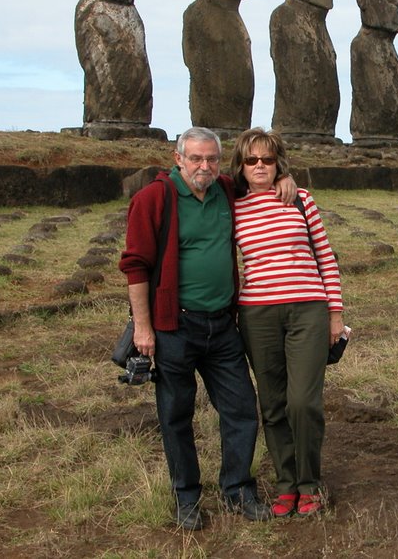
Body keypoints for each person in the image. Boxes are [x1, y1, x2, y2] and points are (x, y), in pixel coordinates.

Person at [119, 126, 295, 530]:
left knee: (241, 410)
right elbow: (136, 266)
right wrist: (144, 329)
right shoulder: (154, 199)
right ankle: (187, 498)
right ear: (178, 158)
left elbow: (261, 175)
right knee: (176, 415)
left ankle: (238, 490)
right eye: (195, 158)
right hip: (174, 326)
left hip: (222, 324)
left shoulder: (224, 191)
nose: (204, 166)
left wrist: (286, 176)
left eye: (212, 159)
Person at [229, 128, 345, 518]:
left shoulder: (300, 200)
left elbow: (326, 257)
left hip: (308, 308)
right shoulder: (232, 206)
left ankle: (310, 482)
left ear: (279, 163)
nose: (260, 166)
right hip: (257, 312)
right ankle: (286, 483)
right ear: (241, 166)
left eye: (268, 159)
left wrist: (335, 313)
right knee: (273, 402)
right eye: (252, 160)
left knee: (303, 401)